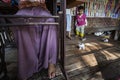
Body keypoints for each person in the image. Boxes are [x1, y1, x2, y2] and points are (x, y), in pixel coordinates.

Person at [10, 0, 57, 80]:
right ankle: (50, 63)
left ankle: (25, 67)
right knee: (49, 20)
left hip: (25, 11)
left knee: (47, 20)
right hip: (36, 10)